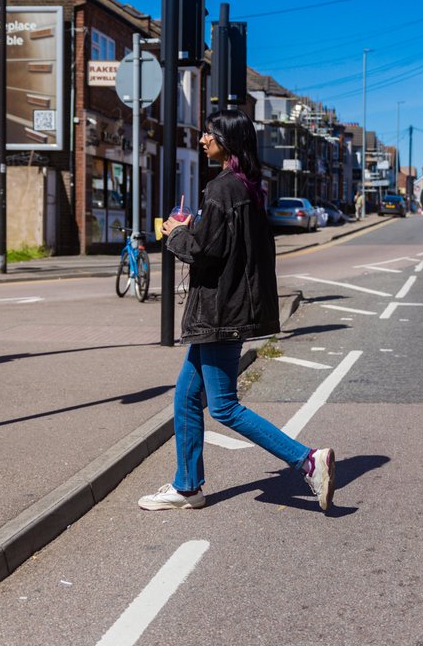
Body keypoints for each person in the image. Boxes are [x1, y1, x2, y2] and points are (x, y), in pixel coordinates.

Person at [138, 109, 336, 513]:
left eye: (208, 134)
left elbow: (204, 252)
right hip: (230, 308)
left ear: (225, 140)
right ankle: (188, 486)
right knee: (186, 398)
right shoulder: (247, 187)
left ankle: (306, 459)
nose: (201, 140)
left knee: (224, 406)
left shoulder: (222, 188)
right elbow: (226, 247)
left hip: (219, 312)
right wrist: (195, 228)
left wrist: (175, 232)